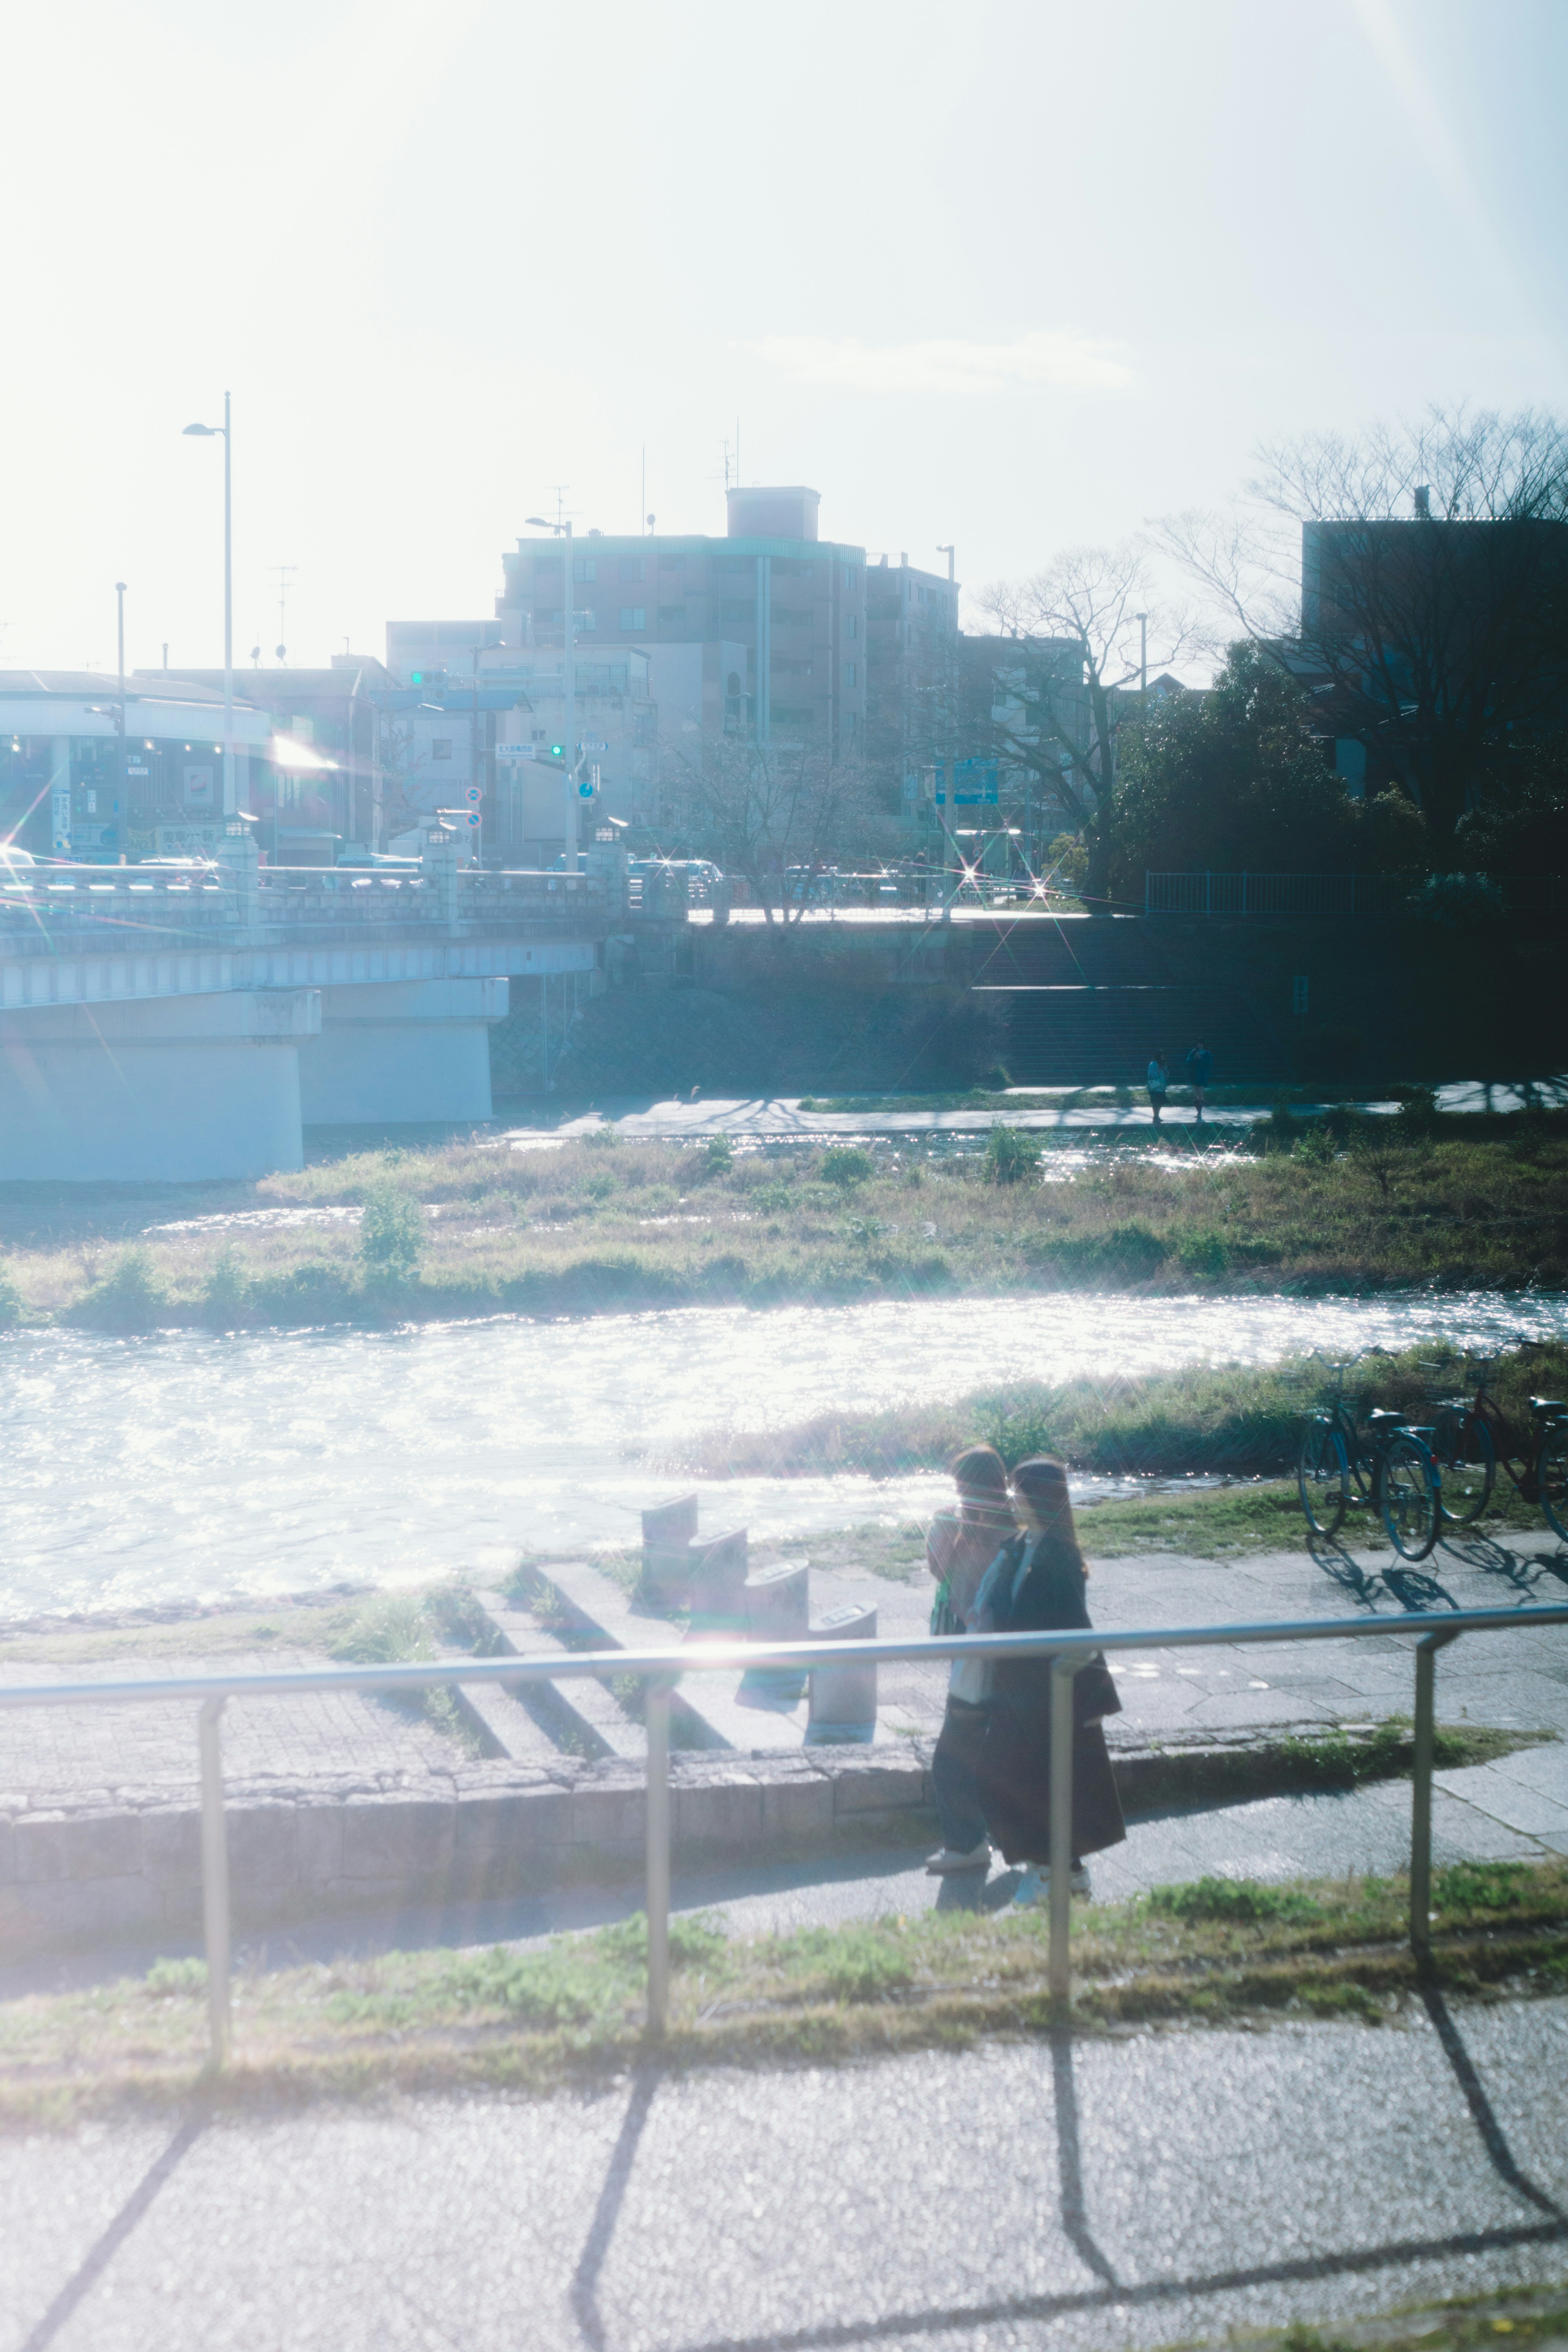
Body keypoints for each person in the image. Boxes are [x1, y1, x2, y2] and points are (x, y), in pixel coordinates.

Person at [968, 1455, 1126, 1905]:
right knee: (1018, 1777)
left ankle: (1050, 1872)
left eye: (1020, 1490)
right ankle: (1065, 1873)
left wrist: (1092, 1703)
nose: (1013, 1497)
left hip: (1050, 1690)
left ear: (1039, 1496)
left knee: (1037, 1780)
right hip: (1017, 1687)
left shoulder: (1059, 1555)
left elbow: (1079, 1629)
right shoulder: (1020, 1546)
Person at [923, 1444, 1016, 1874]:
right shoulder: (959, 1521)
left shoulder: (1009, 1527)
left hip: (996, 1647)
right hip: (973, 1642)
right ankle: (991, 1840)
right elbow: (941, 1574)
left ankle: (971, 1844)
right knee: (987, 1748)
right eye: (957, 1488)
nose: (961, 1495)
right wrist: (943, 1538)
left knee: (956, 1755)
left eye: (965, 1486)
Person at [1185, 1040, 1213, 1123]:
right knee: (1195, 1095)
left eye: (1201, 1044)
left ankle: (1200, 1112)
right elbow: (1188, 1062)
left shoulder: (1207, 1054)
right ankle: (1198, 1111)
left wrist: (1201, 1058)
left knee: (1201, 1095)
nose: (1199, 1046)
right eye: (1198, 1044)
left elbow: (1209, 1064)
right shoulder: (1193, 1052)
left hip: (1202, 1076)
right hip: (1194, 1076)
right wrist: (1194, 1058)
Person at [1146, 1050, 1169, 1127]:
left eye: (1164, 1057)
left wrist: (1166, 1071)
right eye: (1162, 1057)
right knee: (1155, 1102)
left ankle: (1157, 1116)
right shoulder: (1153, 1064)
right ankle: (1155, 1117)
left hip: (1161, 1087)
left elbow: (1167, 1075)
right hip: (1154, 1088)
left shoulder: (1163, 1065)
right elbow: (1151, 1075)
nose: (1163, 1058)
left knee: (1160, 1102)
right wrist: (1158, 1071)